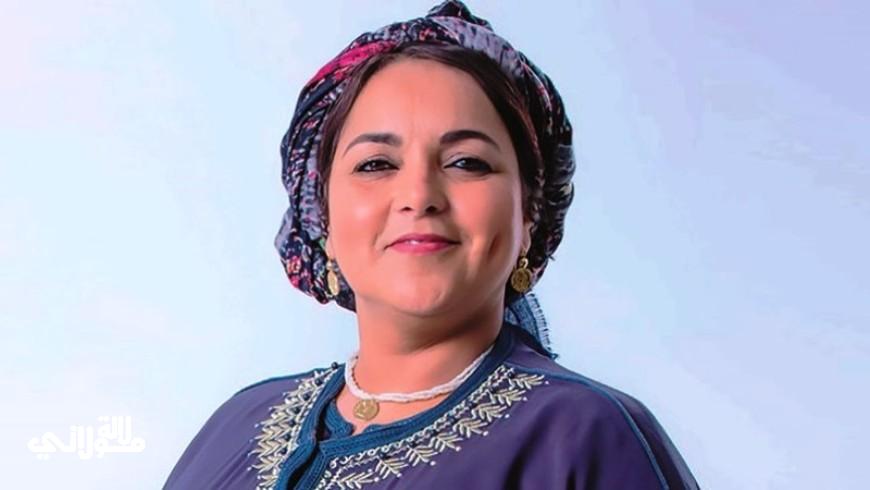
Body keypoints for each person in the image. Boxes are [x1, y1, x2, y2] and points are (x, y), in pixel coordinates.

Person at [164, 1, 701, 488]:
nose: (418, 196)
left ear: (530, 216)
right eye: (376, 164)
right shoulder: (237, 426)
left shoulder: (586, 437)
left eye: (466, 162)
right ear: (320, 214)